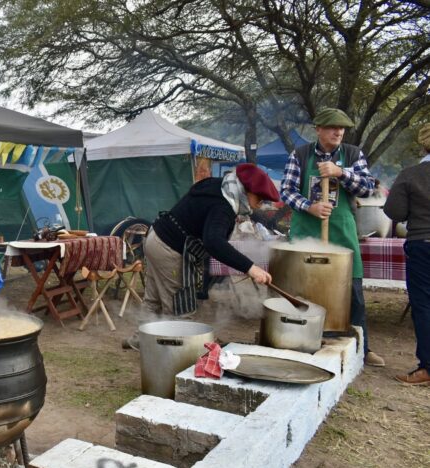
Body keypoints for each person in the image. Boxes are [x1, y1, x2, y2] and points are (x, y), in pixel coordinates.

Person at [280, 107, 384, 367]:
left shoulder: (352, 154)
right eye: (332, 128)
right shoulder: (301, 155)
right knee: (303, 289)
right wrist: (309, 206)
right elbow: (286, 191)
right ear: (318, 130)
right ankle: (299, 339)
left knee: (353, 290)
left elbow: (368, 187)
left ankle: (361, 346)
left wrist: (341, 173)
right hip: (306, 231)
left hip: (341, 231)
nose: (338, 132)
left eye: (342, 128)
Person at [143, 163, 278, 317]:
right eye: (259, 200)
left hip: (156, 237)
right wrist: (250, 267)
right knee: (178, 309)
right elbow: (213, 241)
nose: (259, 206)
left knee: (152, 303)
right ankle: (177, 340)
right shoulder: (224, 206)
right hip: (168, 248)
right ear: (247, 191)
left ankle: (138, 340)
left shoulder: (219, 186)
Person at [383, 123, 430, 385]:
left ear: (423, 144)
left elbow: (395, 212)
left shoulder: (411, 175)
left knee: (424, 305)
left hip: (423, 243)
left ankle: (428, 368)